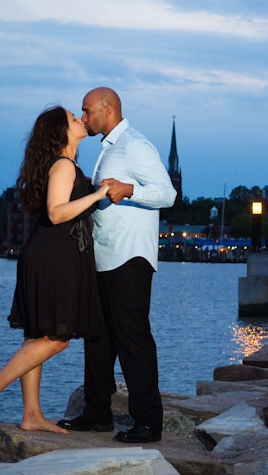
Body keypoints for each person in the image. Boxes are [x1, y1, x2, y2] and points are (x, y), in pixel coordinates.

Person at [0, 106, 109, 433]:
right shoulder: (63, 165)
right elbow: (57, 213)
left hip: (48, 255)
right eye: (73, 119)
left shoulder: (66, 164)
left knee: (37, 336)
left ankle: (31, 414)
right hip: (53, 257)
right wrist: (99, 195)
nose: (80, 119)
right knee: (56, 338)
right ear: (60, 132)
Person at [57, 87, 176, 443]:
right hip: (102, 257)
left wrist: (130, 190)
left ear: (107, 110)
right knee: (97, 337)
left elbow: (168, 194)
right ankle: (97, 414)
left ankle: (149, 423)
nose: (83, 117)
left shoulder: (136, 145)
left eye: (87, 111)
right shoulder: (108, 148)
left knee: (132, 337)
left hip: (129, 257)